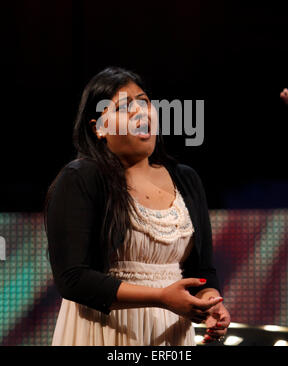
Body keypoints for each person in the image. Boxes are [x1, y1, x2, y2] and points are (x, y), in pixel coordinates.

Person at [44, 66, 230, 346]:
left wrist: (209, 301)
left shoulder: (186, 178)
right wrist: (160, 298)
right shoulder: (80, 178)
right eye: (123, 107)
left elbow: (202, 271)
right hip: (104, 331)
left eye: (143, 102)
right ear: (99, 129)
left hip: (170, 334)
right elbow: (72, 278)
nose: (140, 112)